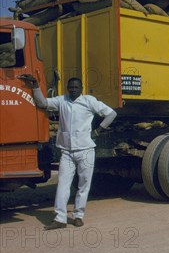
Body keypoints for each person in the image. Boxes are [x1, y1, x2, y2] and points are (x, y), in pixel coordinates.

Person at [19, 75, 117, 230]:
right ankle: (60, 219)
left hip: (85, 151)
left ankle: (78, 215)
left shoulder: (89, 101)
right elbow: (43, 103)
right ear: (67, 88)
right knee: (63, 184)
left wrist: (98, 131)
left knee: (83, 184)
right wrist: (35, 87)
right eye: (70, 87)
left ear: (81, 89)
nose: (73, 90)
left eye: (76, 87)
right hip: (67, 152)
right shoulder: (61, 100)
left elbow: (111, 113)